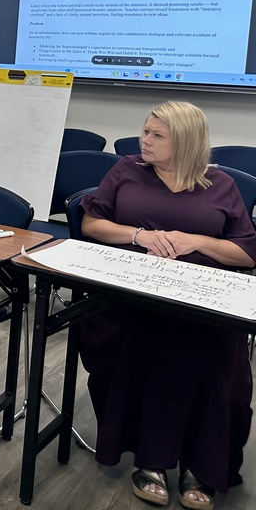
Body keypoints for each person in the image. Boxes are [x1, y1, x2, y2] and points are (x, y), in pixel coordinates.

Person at [79, 101, 255, 510]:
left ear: (187, 142)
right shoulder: (127, 170)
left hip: (203, 301)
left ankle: (201, 464)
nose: (145, 141)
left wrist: (196, 241)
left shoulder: (221, 185)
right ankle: (152, 459)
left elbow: (247, 253)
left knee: (212, 355)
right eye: (145, 132)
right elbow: (91, 223)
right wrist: (138, 236)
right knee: (149, 342)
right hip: (135, 296)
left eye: (158, 136)